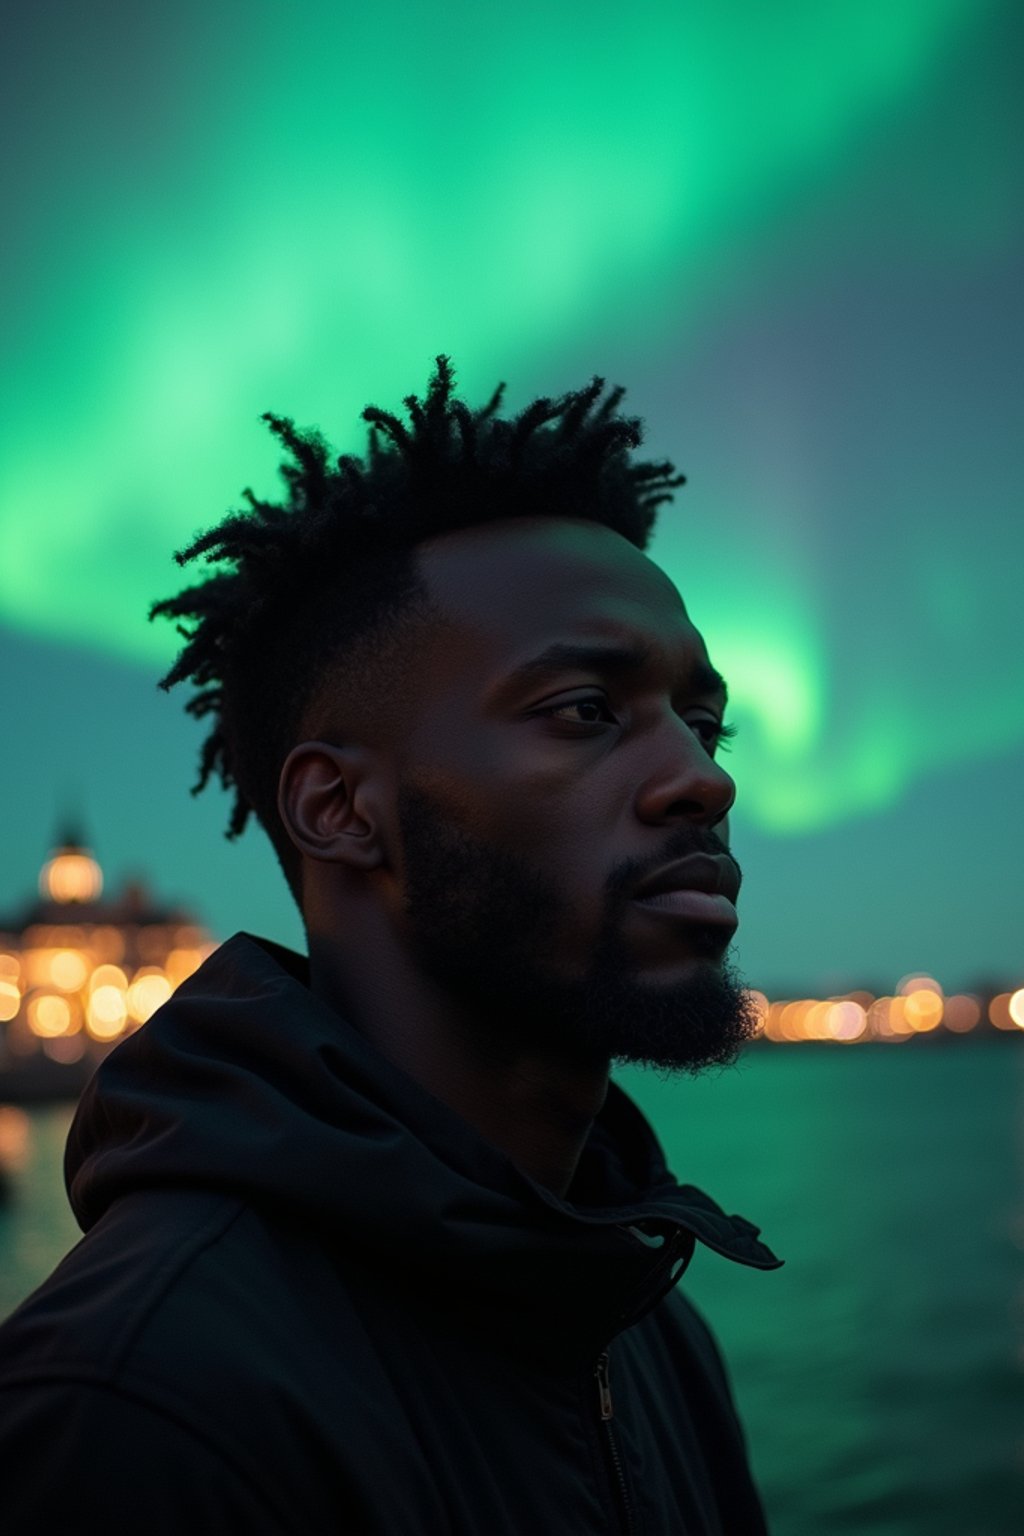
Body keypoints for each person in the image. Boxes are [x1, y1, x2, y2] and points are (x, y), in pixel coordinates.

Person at [0, 356, 782, 1533]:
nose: (701, 776)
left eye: (702, 721)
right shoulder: (132, 1408)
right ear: (338, 809)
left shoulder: (655, 1331)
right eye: (584, 710)